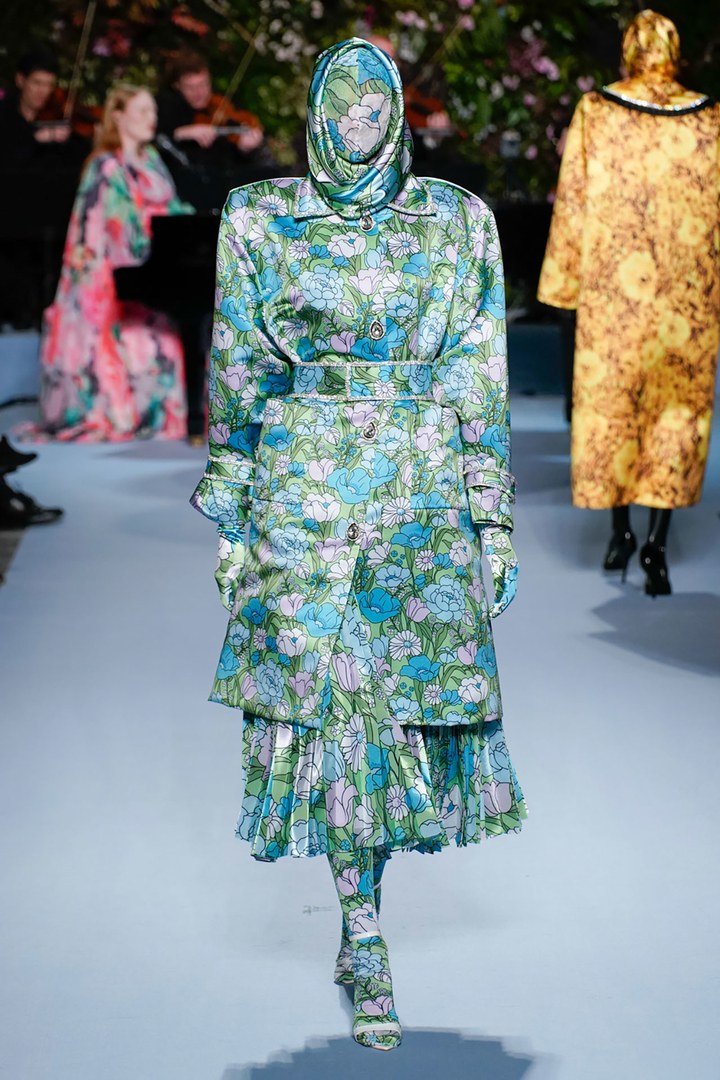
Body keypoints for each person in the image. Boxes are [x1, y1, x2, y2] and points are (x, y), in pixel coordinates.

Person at [191, 39, 526, 1050]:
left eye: (374, 108)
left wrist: (492, 514)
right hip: (304, 493)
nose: (357, 126)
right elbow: (238, 365)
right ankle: (365, 934)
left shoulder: (457, 222)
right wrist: (232, 510)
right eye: (341, 108)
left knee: (397, 720)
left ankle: (361, 914)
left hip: (418, 497)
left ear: (397, 114)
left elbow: (478, 372)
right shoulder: (260, 218)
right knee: (331, 713)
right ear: (315, 111)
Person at [537, 10, 720, 596]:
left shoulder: (597, 110)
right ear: (675, 50)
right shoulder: (710, 117)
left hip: (615, 294)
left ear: (628, 51)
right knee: (676, 414)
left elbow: (572, 201)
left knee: (613, 408)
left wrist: (562, 286)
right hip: (688, 301)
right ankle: (656, 545)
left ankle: (619, 531)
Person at [28, 84, 193, 441]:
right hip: (109, 275)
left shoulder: (153, 160)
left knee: (165, 335)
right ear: (119, 116)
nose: (152, 118)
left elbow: (171, 208)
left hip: (149, 266)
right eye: (142, 110)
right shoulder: (104, 165)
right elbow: (107, 232)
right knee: (133, 341)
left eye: (153, 110)